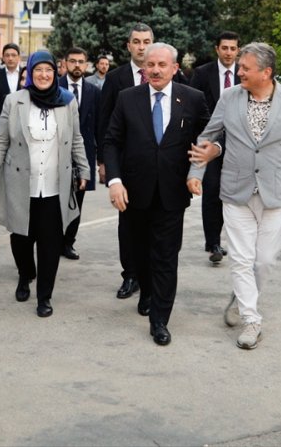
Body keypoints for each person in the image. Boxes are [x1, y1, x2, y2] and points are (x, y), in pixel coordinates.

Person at [188, 42, 281, 349]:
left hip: (275, 191)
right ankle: (251, 319)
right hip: (235, 189)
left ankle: (241, 296)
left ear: (266, 72)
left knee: (265, 260)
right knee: (242, 259)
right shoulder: (230, 97)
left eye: (245, 68)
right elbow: (209, 136)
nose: (238, 71)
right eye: (239, 66)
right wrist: (196, 172)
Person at [103, 43, 209, 345]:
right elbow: (112, 142)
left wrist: (205, 160)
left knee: (165, 256)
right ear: (143, 68)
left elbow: (210, 134)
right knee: (139, 252)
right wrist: (115, 180)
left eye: (163, 65)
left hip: (172, 192)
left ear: (175, 68)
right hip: (134, 192)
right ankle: (147, 291)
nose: (156, 70)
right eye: (150, 65)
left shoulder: (192, 98)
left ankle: (160, 319)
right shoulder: (127, 99)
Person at [0, 50, 89, 318]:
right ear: (29, 73)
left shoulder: (67, 101)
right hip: (21, 182)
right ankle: (25, 273)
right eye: (38, 70)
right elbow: (1, 141)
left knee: (51, 242)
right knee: (20, 237)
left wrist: (83, 168)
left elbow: (76, 139)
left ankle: (45, 296)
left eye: (49, 70)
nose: (43, 75)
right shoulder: (14, 101)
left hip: (54, 184)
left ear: (56, 73)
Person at [97, 24, 154, 299]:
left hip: (156, 164)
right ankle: (130, 274)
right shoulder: (116, 78)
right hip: (125, 163)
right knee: (128, 223)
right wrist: (104, 162)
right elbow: (105, 121)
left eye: (146, 41)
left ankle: (151, 274)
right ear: (128, 45)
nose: (141, 47)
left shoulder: (164, 74)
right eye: (136, 42)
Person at [188, 30, 240, 264]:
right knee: (213, 191)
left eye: (233, 48)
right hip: (210, 142)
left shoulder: (245, 73)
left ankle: (237, 240)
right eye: (225, 48)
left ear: (238, 50)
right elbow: (193, 107)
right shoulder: (202, 73)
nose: (229, 52)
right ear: (217, 49)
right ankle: (213, 242)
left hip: (240, 144)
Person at [58, 47, 100, 260]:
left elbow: (99, 126)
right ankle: (53, 241)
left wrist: (101, 161)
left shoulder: (94, 92)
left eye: (81, 61)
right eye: (72, 61)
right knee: (55, 200)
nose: (76, 65)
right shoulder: (55, 87)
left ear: (86, 65)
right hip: (56, 154)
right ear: (65, 63)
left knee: (77, 200)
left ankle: (68, 242)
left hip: (83, 155)